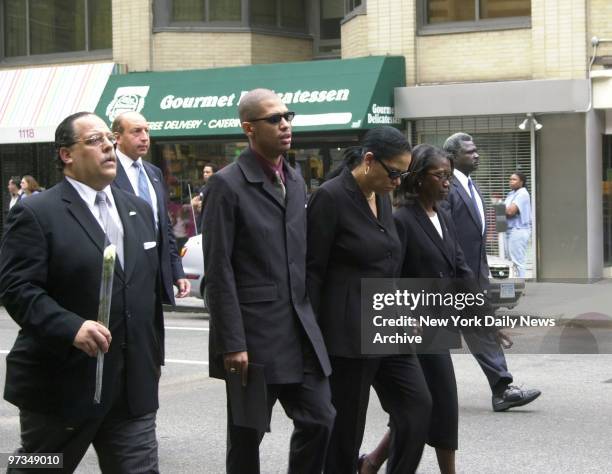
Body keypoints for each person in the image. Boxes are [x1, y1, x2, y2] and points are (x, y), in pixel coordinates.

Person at [0, 112, 165, 472]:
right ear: (66, 155)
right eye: (93, 140)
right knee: (37, 467)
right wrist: (70, 327)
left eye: (108, 137)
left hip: (131, 388)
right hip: (60, 388)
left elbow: (146, 293)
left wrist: (152, 360)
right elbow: (16, 287)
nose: (107, 145)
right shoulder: (36, 213)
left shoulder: (136, 208)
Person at [202, 88, 335, 474]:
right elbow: (219, 271)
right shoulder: (226, 185)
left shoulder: (295, 180)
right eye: (274, 119)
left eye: (287, 116)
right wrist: (232, 343)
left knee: (321, 418)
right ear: (249, 128)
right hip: (253, 340)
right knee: (246, 439)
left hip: (300, 333)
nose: (285, 125)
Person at [307, 126, 432, 474]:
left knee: (417, 407)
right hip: (347, 337)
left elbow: (388, 263)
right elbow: (312, 272)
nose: (398, 180)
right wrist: (312, 342)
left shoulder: (384, 196)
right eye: (394, 172)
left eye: (404, 173)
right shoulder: (329, 198)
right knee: (346, 433)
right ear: (368, 160)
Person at [360, 145, 475, 474]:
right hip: (409, 330)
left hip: (439, 326)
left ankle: (370, 463)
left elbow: (460, 269)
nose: (446, 182)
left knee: (421, 409)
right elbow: (390, 275)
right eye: (440, 175)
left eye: (449, 176)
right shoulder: (401, 219)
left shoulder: (445, 215)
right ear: (419, 177)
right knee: (434, 405)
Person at [441, 132, 540, 411]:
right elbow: (447, 237)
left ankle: (502, 389)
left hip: (475, 275)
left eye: (476, 150)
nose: (476, 154)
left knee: (482, 331)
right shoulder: (446, 189)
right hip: (451, 279)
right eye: (469, 151)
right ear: (452, 158)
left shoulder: (475, 187)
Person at [112, 111, 190, 305]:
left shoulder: (153, 173)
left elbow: (164, 226)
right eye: (136, 131)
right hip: (124, 277)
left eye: (147, 131)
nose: (145, 137)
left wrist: (176, 271)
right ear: (117, 137)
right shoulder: (106, 173)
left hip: (156, 276)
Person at [504, 171, 531, 277]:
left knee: (517, 260)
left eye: (514, 179)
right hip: (509, 230)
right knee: (510, 261)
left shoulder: (523, 193)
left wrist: (500, 207)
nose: (511, 181)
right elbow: (503, 210)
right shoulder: (511, 194)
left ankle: (520, 287)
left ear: (521, 182)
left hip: (518, 230)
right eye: (510, 179)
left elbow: (510, 211)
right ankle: (512, 287)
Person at [191, 163, 216, 231]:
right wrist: (194, 205)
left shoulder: (218, 189)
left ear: (214, 174)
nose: (205, 174)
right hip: (201, 223)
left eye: (207, 172)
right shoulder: (203, 188)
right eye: (204, 172)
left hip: (212, 224)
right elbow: (197, 208)